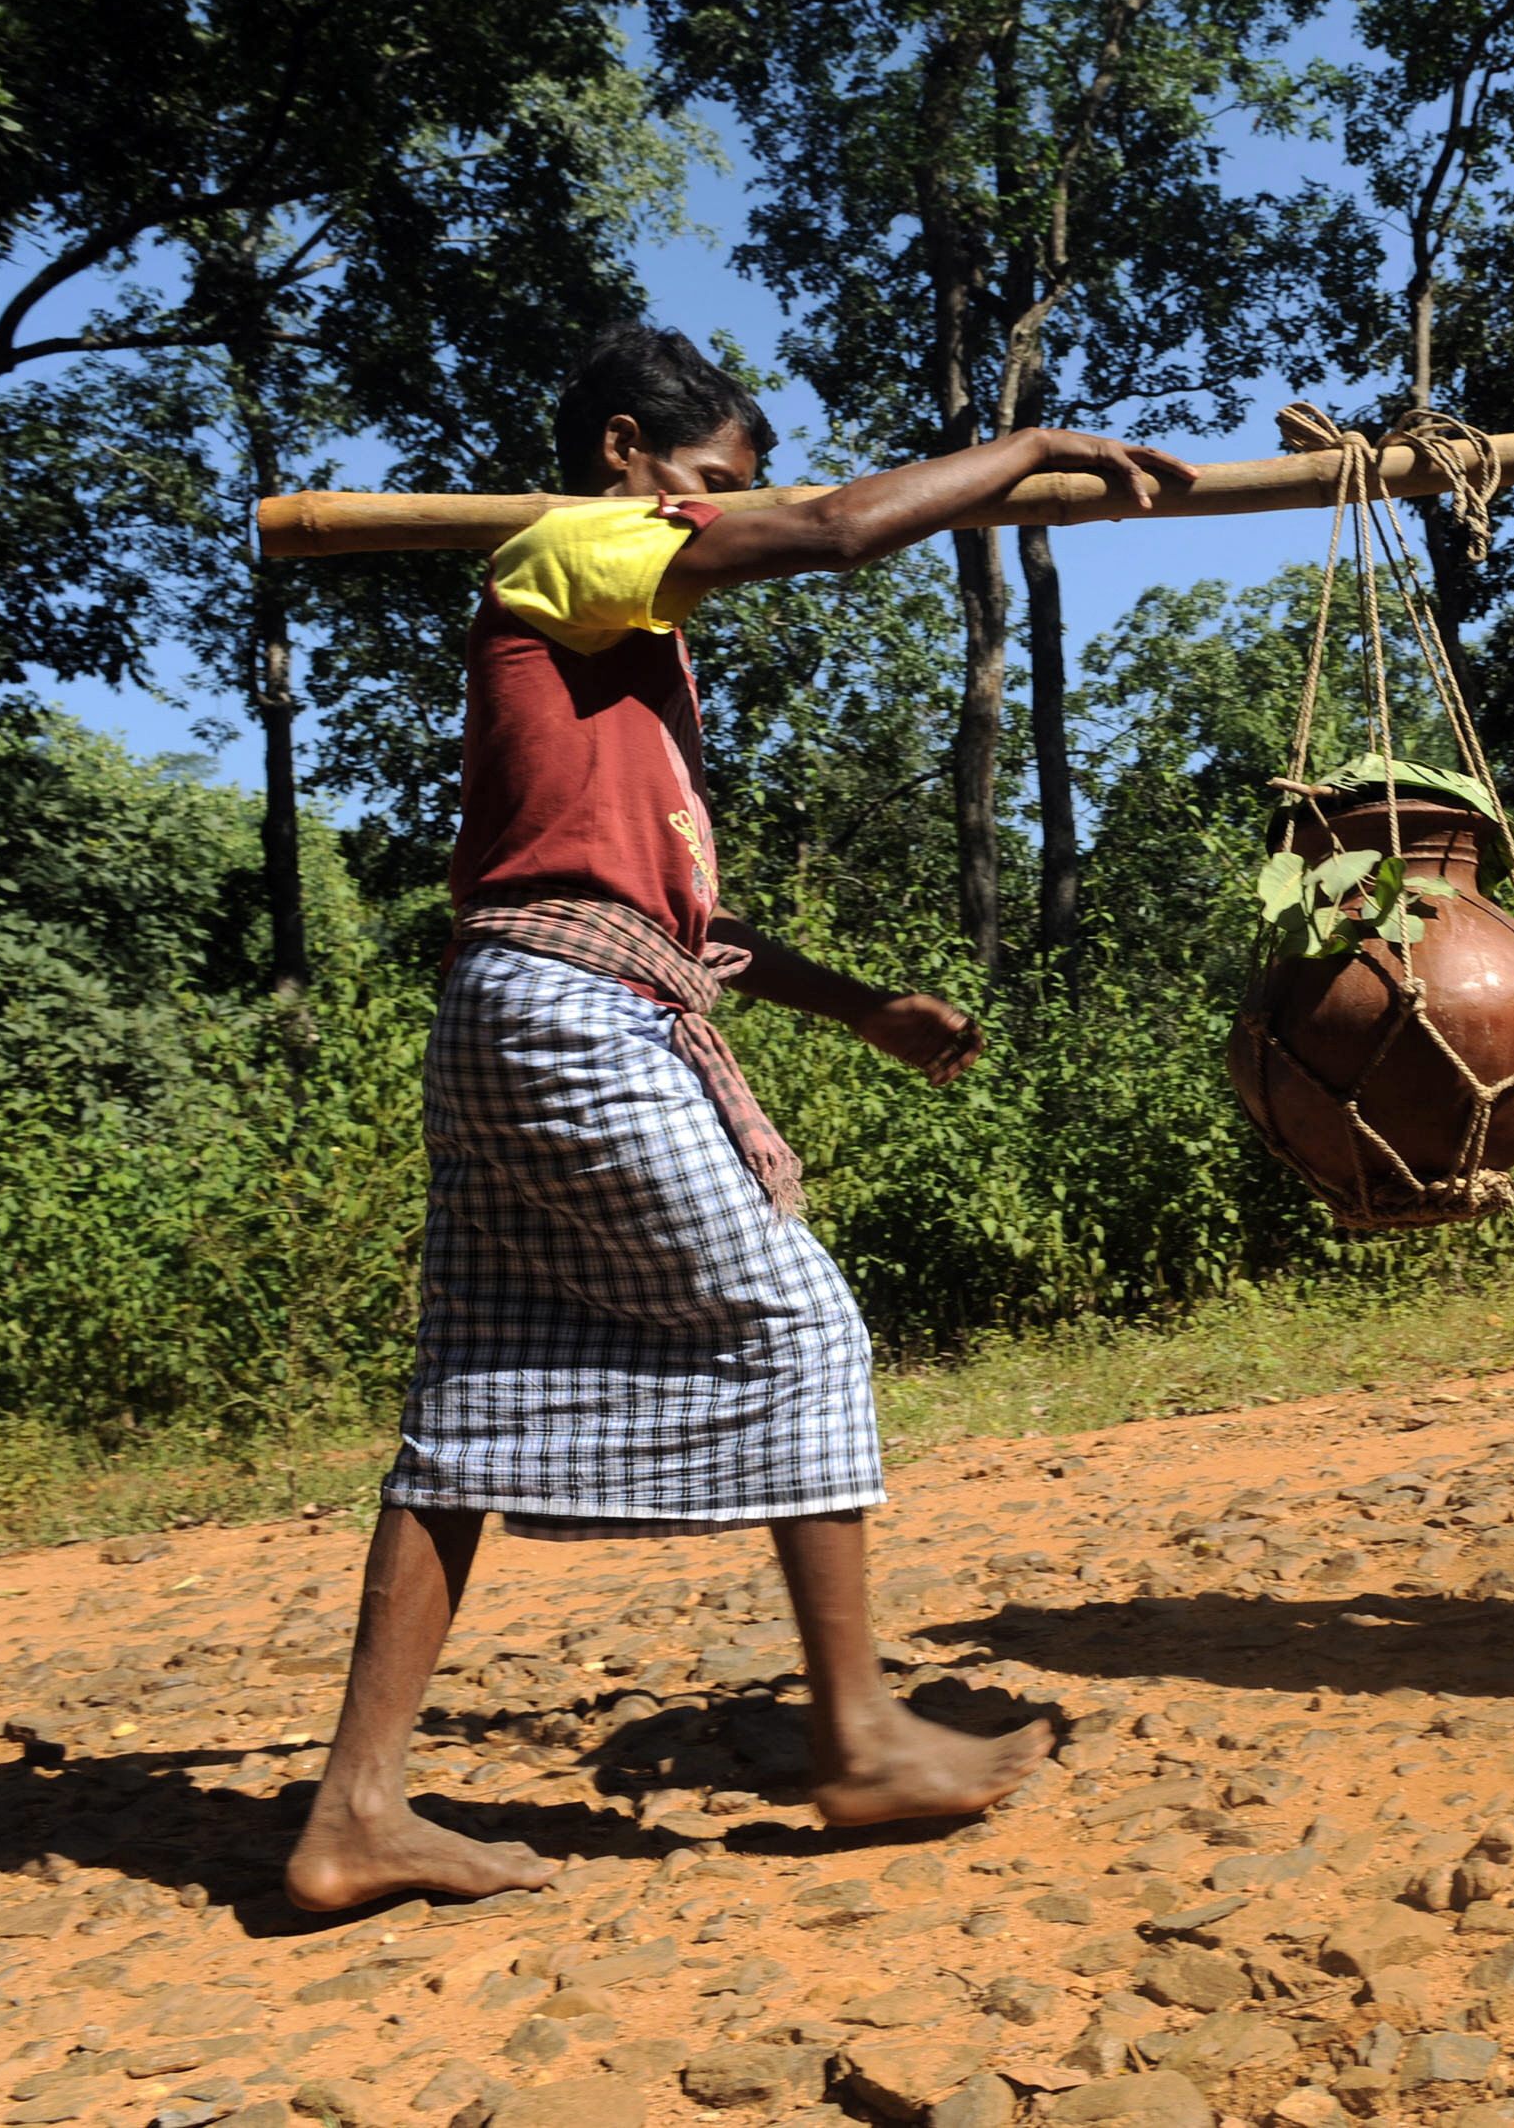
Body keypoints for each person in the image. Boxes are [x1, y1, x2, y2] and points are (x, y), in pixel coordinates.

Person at [284, 324, 1196, 1910]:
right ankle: (859, 1736)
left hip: (532, 1001)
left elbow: (679, 922)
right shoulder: (570, 547)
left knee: (478, 1390)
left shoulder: (629, 663)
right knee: (799, 1322)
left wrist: (861, 1008)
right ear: (627, 450)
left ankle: (354, 1811)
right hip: (567, 1012)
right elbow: (843, 534)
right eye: (712, 486)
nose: (726, 518)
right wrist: (1035, 449)